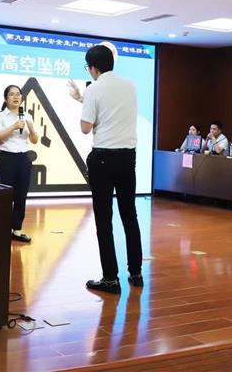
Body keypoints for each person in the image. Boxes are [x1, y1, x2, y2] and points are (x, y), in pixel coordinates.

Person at [78, 44, 142, 294]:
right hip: (127, 157)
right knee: (129, 215)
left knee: (104, 219)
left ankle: (110, 279)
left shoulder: (93, 89)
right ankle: (135, 273)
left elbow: (85, 128)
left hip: (103, 159)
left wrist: (83, 102)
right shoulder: (130, 85)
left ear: (93, 68)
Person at [0, 84, 39, 243]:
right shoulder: (0, 116)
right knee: (5, 197)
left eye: (18, 94)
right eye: (11, 94)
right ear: (6, 99)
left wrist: (31, 129)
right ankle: (2, 229)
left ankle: (17, 230)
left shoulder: (27, 116)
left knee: (21, 196)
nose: (16, 96)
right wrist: (13, 127)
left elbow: (34, 140)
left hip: (23, 159)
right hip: (7, 159)